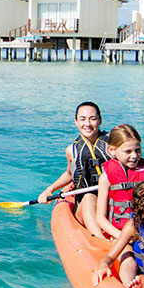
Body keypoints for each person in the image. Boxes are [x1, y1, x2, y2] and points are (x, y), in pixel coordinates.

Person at [38, 101, 110, 238]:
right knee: (89, 197)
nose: (87, 124)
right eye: (82, 119)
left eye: (93, 119)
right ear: (76, 121)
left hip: (111, 200)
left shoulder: (113, 145)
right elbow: (70, 174)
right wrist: (49, 189)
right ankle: (99, 239)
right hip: (86, 203)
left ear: (100, 120)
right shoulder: (72, 151)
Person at [93, 124, 144, 240]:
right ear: (111, 150)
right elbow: (100, 218)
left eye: (137, 150)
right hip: (120, 233)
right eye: (128, 151)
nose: (134, 156)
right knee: (127, 258)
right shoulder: (106, 178)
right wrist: (122, 236)